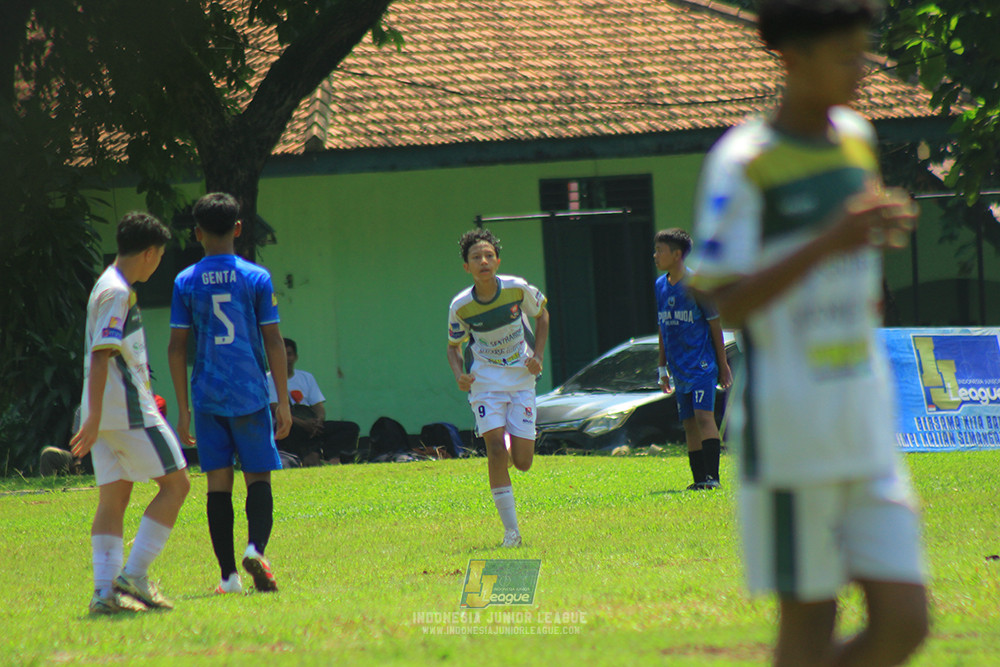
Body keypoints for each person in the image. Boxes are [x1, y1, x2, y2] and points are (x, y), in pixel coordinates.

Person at [687, 1, 928, 664]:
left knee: (906, 619)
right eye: (846, 55)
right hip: (793, 431)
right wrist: (833, 239)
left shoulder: (856, 136)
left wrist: (875, 229)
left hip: (867, 420)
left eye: (865, 51)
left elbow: (849, 241)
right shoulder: (744, 162)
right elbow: (726, 297)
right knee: (810, 622)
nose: (863, 69)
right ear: (791, 59)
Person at [168, 192, 291, 595]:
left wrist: (183, 410)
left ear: (197, 233)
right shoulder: (256, 278)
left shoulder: (184, 281)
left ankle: (228, 577)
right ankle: (256, 549)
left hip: (207, 397)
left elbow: (176, 348)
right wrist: (283, 400)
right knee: (259, 478)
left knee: (217, 484)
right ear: (238, 229)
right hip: (250, 395)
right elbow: (273, 341)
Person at [70, 211, 191, 615]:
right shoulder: (118, 292)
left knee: (114, 497)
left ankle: (105, 594)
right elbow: (102, 356)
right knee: (177, 485)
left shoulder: (105, 285)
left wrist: (92, 416)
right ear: (151, 253)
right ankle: (134, 576)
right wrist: (94, 419)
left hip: (105, 411)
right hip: (126, 412)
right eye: (160, 257)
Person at [446, 228, 549, 548]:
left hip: (521, 377)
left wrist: (538, 355)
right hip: (485, 381)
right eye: (476, 257)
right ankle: (511, 533)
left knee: (523, 462)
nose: (484, 261)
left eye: (489, 255)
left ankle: (506, 443)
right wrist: (459, 373)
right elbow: (453, 346)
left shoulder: (517, 289)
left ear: (498, 261)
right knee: (493, 450)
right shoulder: (460, 306)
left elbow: (543, 316)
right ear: (467, 267)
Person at [653, 228, 733, 490]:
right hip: (678, 368)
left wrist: (723, 366)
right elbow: (663, 327)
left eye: (660, 251)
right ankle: (699, 479)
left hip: (702, 365)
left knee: (703, 418)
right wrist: (662, 366)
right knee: (688, 423)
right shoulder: (660, 286)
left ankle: (713, 478)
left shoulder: (699, 285)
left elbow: (714, 325)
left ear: (677, 255)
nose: (655, 255)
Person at [266, 337, 360, 466]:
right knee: (290, 429)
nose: (286, 359)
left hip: (310, 425)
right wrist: (304, 424)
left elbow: (318, 406)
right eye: (282, 354)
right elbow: (275, 409)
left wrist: (318, 422)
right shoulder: (268, 379)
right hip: (288, 426)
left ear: (296, 357)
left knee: (350, 428)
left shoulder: (306, 377)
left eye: (289, 354)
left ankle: (331, 458)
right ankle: (310, 457)